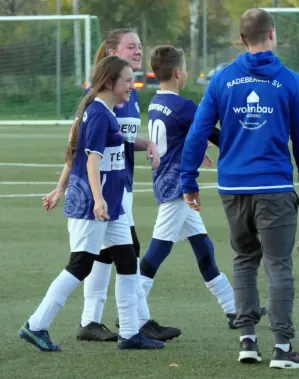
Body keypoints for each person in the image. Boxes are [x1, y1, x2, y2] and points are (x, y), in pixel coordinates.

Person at [179, 8, 299, 369]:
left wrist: (188, 180)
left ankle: (247, 341)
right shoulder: (289, 80)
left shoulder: (222, 79)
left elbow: (197, 133)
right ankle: (284, 348)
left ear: (242, 39)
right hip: (273, 185)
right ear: (273, 34)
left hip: (232, 187)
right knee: (278, 264)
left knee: (244, 261)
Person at [19, 56, 165, 352]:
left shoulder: (104, 112)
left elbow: (97, 147)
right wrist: (97, 200)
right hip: (93, 206)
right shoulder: (98, 114)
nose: (132, 85)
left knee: (127, 261)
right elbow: (92, 162)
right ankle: (36, 326)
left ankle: (130, 333)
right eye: (127, 80)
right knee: (80, 264)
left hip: (110, 206)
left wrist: (147, 143)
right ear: (110, 82)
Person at [43, 28, 179, 342]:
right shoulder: (104, 96)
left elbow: (121, 141)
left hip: (121, 184)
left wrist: (148, 144)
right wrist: (62, 187)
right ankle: (126, 322)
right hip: (103, 188)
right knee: (117, 252)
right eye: (131, 46)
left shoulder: (128, 95)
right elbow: (80, 148)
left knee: (114, 253)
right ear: (112, 52)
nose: (138, 51)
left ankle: (100, 322)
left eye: (140, 46)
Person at [139, 45, 267, 332]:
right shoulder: (185, 106)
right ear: (178, 72)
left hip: (166, 180)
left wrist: (193, 151)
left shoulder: (156, 101)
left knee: (204, 248)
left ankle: (235, 311)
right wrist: (246, 149)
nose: (185, 73)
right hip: (177, 186)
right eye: (184, 69)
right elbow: (212, 133)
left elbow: (178, 137)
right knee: (156, 253)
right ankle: (131, 314)